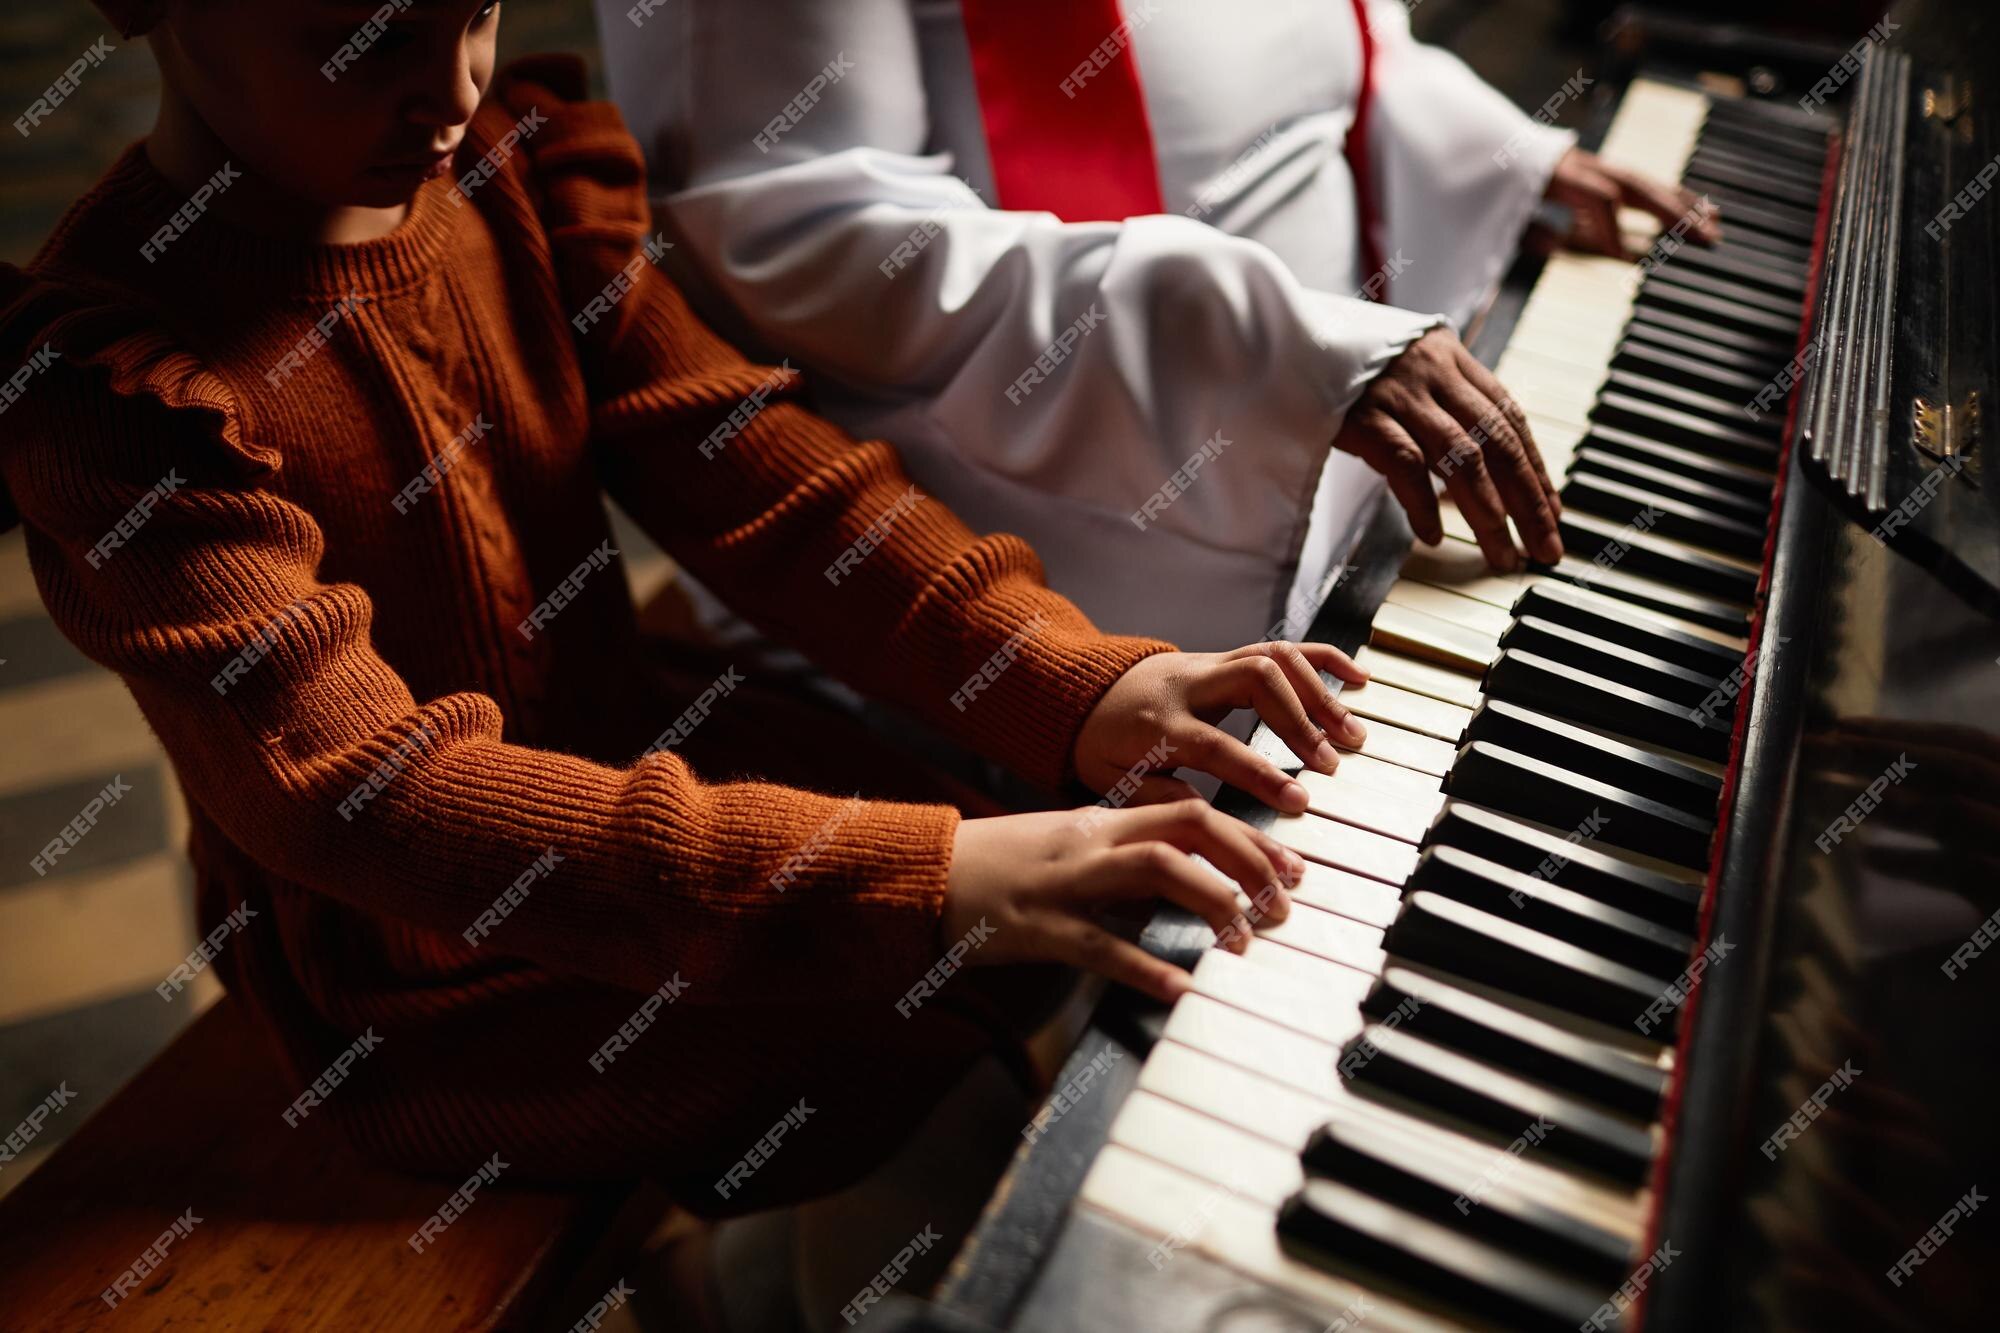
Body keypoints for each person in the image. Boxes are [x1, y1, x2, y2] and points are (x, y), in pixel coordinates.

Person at [0, 0, 1373, 1211]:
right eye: (362, 38)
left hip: (638, 769)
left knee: (1038, 939)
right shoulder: (114, 384)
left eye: (469, 13)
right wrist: (929, 880)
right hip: (431, 970)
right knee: (924, 1055)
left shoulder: (505, 178)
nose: (451, 87)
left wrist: (1078, 682)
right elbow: (370, 795)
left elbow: (766, 489)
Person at [598, 0, 1719, 650]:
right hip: (1031, 557)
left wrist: (1499, 160)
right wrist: (1254, 351)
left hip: (1367, 442)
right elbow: (794, 238)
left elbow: (1314, 75)